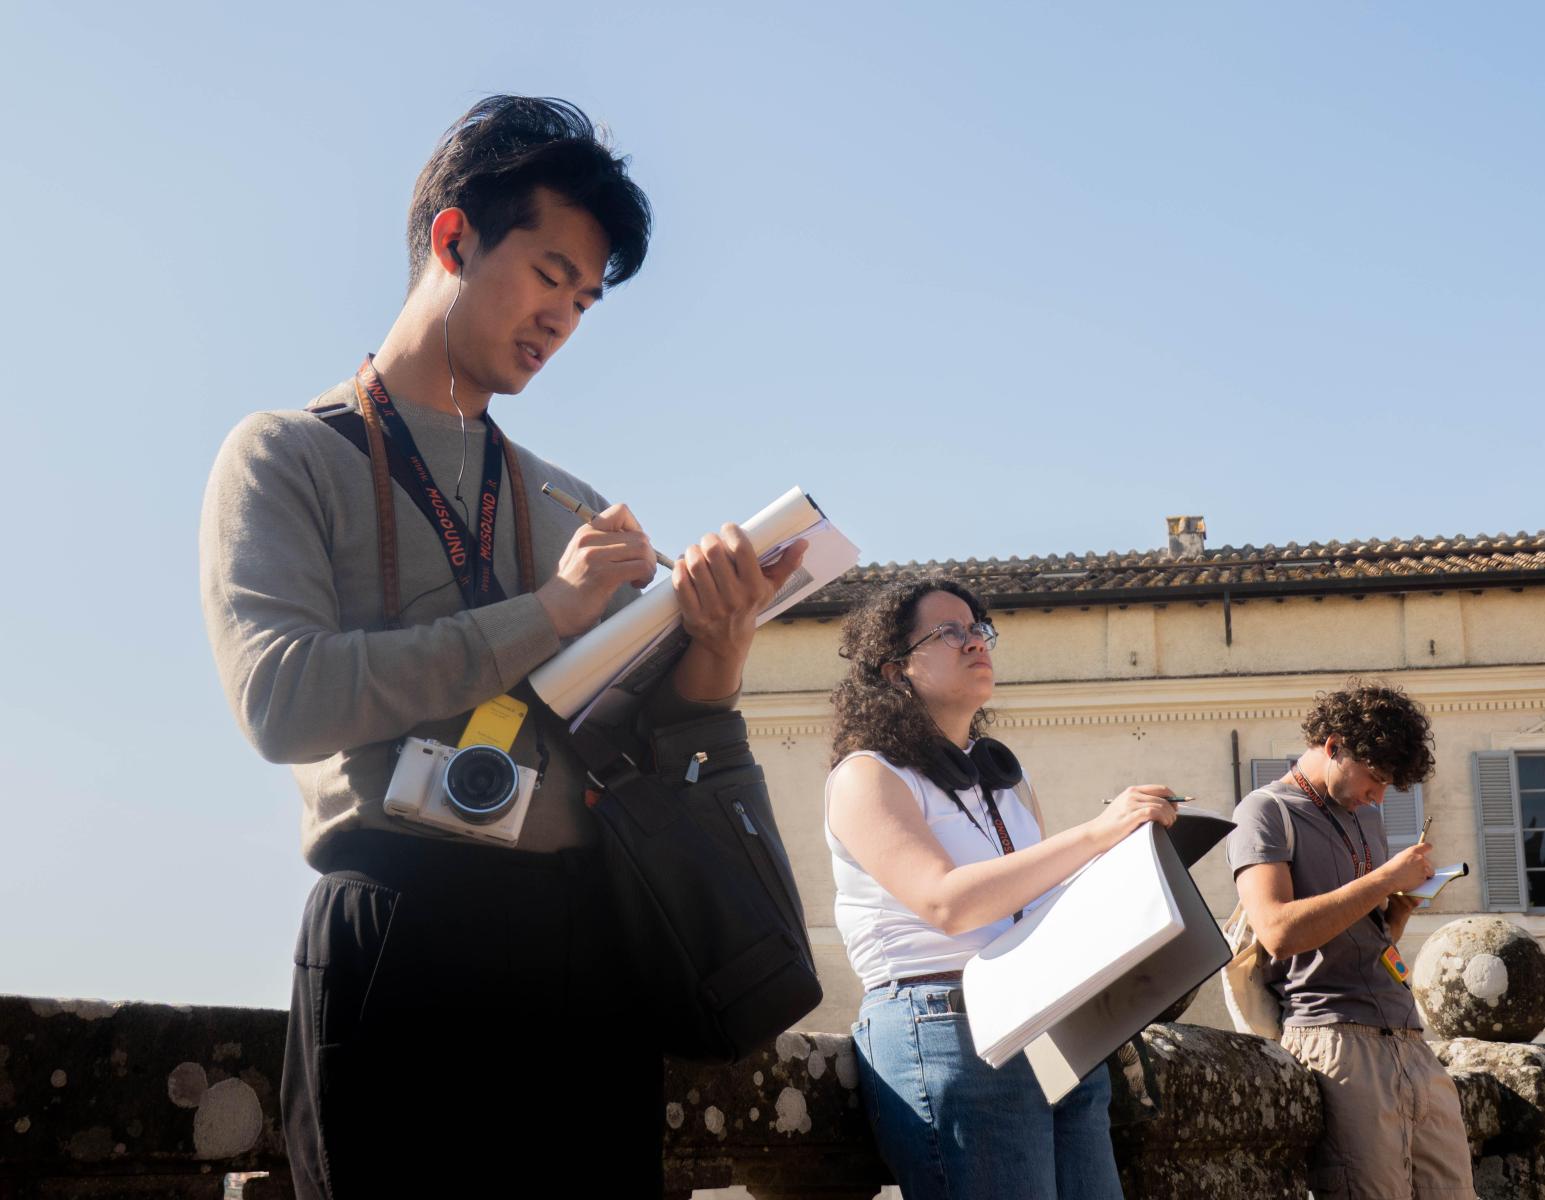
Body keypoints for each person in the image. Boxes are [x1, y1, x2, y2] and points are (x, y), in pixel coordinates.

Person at [199, 95, 804, 1199]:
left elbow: (642, 735)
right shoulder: (285, 454)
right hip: (397, 922)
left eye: (585, 298)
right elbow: (281, 698)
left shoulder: (572, 503)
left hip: (587, 944)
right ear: (454, 238)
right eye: (549, 273)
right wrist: (549, 613)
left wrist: (716, 644)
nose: (564, 317)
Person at [823, 577, 1178, 1199]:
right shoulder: (865, 776)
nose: (974, 642)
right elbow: (948, 902)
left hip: (1052, 1025)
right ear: (895, 668)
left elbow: (1033, 900)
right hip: (945, 1028)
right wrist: (1097, 833)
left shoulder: (1004, 781)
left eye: (978, 629)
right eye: (948, 632)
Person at [1226, 682, 1477, 1200]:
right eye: (1376, 778)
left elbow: (1361, 935)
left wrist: (1396, 914)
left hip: (1408, 1039)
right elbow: (1277, 931)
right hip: (1334, 1038)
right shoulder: (1265, 811)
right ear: (1335, 745)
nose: (1379, 796)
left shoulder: (1367, 818)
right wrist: (1384, 879)